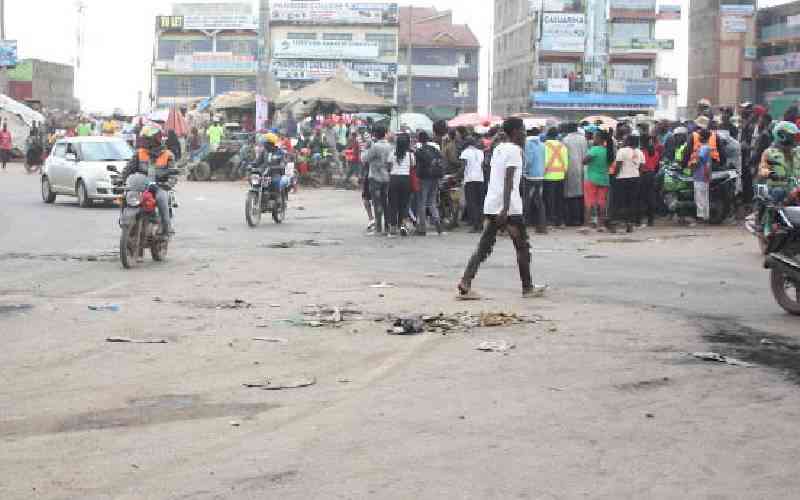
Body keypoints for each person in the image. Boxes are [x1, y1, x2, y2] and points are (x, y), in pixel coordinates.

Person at [457, 117, 537, 299]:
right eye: (523, 130)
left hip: (492, 204)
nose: (525, 133)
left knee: (483, 247)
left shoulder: (498, 148)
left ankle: (466, 281)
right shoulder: (514, 151)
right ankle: (527, 287)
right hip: (508, 208)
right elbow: (508, 180)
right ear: (515, 132)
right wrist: (506, 208)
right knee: (522, 247)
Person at [122, 127, 174, 236]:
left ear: (156, 140)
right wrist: (122, 178)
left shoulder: (168, 155)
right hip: (141, 185)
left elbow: (172, 174)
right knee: (126, 195)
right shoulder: (139, 153)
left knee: (161, 198)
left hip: (160, 186)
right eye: (144, 139)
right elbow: (129, 168)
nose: (144, 141)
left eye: (147, 139)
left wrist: (169, 183)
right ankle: (125, 221)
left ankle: (166, 228)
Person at [415, 130, 445, 235]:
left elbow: (416, 164)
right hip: (435, 177)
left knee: (422, 203)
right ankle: (438, 225)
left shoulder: (418, 151)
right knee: (432, 202)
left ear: (419, 139)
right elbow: (441, 160)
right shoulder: (434, 149)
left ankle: (422, 228)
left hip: (424, 178)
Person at [582, 130, 612, 232]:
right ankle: (601, 225)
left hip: (592, 178)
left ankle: (587, 225)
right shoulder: (608, 150)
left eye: (594, 137)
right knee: (601, 203)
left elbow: (584, 161)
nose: (593, 139)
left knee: (589, 203)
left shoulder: (594, 150)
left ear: (599, 139)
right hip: (604, 179)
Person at [364, 125, 392, 235]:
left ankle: (378, 229)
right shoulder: (390, 146)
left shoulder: (375, 147)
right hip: (387, 178)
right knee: (386, 203)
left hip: (375, 178)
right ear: (385, 133)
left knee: (377, 203)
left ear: (375, 135)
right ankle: (387, 227)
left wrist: (366, 147)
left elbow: (365, 159)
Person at [613, 134, 644, 233]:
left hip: (622, 178)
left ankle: (623, 221)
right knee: (632, 201)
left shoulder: (622, 151)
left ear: (628, 141)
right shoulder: (640, 152)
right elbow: (642, 167)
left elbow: (618, 165)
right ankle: (630, 223)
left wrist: (614, 176)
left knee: (622, 201)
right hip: (635, 178)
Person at [387, 133, 414, 237]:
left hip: (394, 179)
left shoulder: (392, 153)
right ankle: (403, 225)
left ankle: (392, 228)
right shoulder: (410, 155)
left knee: (393, 204)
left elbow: (389, 167)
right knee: (404, 204)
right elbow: (412, 166)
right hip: (405, 179)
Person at [562, 122, 588, 226]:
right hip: (582, 168)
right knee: (581, 195)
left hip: (570, 169)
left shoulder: (566, 140)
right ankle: (581, 219)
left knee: (570, 195)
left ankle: (572, 219)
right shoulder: (583, 139)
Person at [543, 128, 569, 228]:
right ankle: (560, 221)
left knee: (549, 200)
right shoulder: (563, 146)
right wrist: (564, 172)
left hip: (548, 176)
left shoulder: (545, 146)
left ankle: (550, 221)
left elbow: (544, 160)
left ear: (548, 135)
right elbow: (566, 162)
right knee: (559, 199)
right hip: (561, 175)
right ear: (557, 135)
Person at [523, 127, 547, 233]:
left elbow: (529, 160)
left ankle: (523, 223)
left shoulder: (528, 144)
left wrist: (525, 170)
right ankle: (541, 226)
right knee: (539, 200)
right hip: (541, 175)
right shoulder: (542, 145)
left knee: (527, 199)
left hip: (530, 176)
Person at [460, 135, 485, 233]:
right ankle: (480, 224)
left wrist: (455, 176)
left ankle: (475, 225)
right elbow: (482, 165)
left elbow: (463, 167)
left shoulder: (465, 152)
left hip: (470, 179)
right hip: (480, 179)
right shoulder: (480, 152)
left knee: (471, 203)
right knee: (479, 202)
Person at [690, 129, 713, 225]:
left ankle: (701, 218)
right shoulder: (707, 147)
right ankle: (705, 216)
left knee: (700, 197)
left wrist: (692, 165)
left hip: (700, 174)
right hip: (704, 175)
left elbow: (698, 160)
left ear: (702, 137)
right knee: (704, 197)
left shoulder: (703, 148)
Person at [639, 134, 662, 227]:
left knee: (641, 197)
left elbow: (639, 165)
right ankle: (650, 220)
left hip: (643, 174)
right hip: (652, 174)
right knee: (651, 196)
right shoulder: (655, 152)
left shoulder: (641, 152)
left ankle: (640, 219)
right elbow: (657, 165)